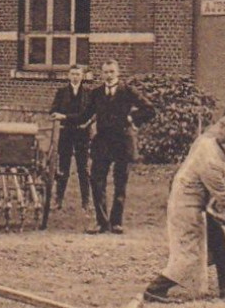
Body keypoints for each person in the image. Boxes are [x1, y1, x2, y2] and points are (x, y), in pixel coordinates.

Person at [141, 111, 225, 302]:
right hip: (186, 209)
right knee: (189, 255)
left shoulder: (207, 140)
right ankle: (155, 289)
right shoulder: (211, 162)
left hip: (192, 203)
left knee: (220, 240)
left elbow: (220, 124)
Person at [82, 59, 156, 235]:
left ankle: (116, 222)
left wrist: (133, 119)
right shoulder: (97, 93)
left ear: (117, 73)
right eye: (106, 72)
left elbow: (149, 109)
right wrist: (64, 117)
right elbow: (85, 114)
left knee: (120, 182)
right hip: (103, 142)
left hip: (122, 142)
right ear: (102, 74)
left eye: (111, 72)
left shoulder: (127, 91)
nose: (108, 75)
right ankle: (102, 222)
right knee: (96, 180)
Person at [50, 64, 92, 211]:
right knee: (63, 168)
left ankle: (86, 201)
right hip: (66, 134)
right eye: (73, 74)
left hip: (82, 134)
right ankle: (58, 200)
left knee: (83, 168)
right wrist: (64, 118)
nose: (75, 77)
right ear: (68, 76)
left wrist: (67, 117)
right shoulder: (61, 92)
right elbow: (53, 111)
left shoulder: (88, 93)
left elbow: (89, 114)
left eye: (78, 74)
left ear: (82, 76)